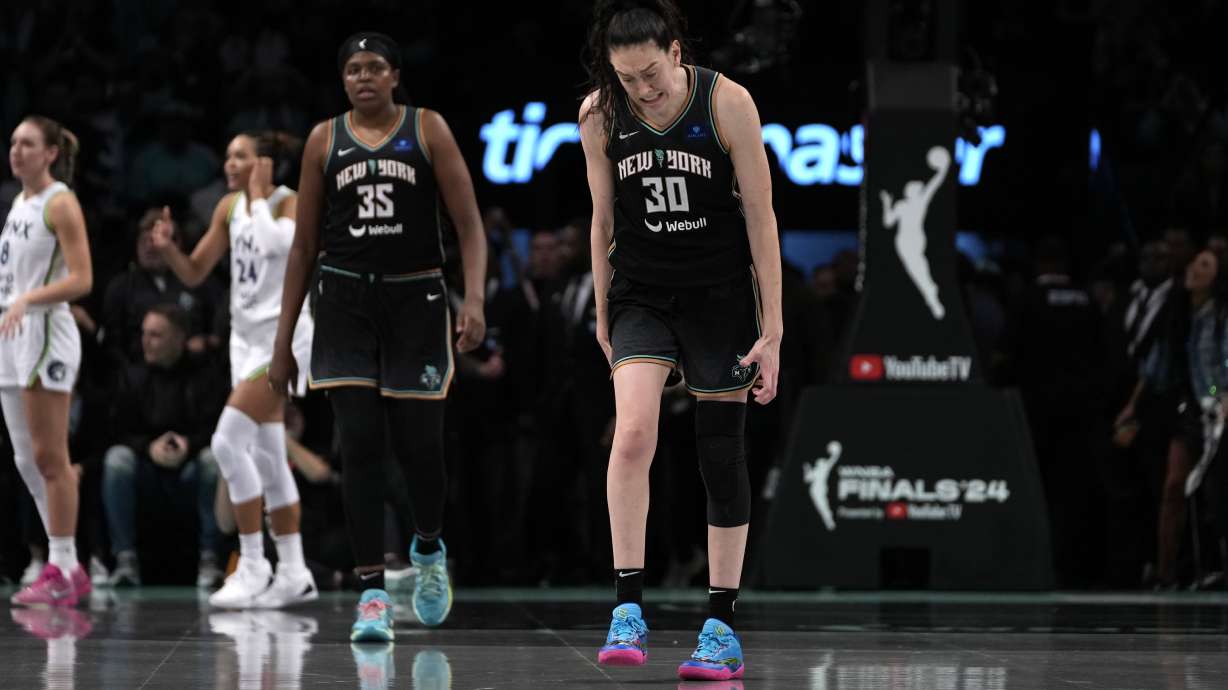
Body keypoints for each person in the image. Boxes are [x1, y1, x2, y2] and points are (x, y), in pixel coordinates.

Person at [579, 1, 782, 680]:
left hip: (720, 297)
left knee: (720, 455)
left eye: (650, 73)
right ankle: (626, 607)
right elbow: (602, 219)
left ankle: (721, 626)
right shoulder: (599, 115)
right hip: (641, 292)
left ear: (675, 51)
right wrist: (603, 311)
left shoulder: (728, 103)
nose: (642, 88)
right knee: (633, 432)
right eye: (626, 78)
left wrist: (774, 329)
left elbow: (761, 218)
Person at [268, 32, 486, 641]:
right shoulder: (323, 139)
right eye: (353, 69)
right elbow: (303, 247)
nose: (363, 77)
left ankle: (428, 549)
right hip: (344, 302)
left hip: (416, 299)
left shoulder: (428, 128)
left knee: (420, 448)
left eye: (374, 67)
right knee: (359, 444)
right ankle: (371, 593)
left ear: (394, 75)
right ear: (343, 80)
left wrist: (474, 298)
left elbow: (469, 225)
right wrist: (283, 341)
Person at [149, 131, 318, 608]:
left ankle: (253, 563)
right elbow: (195, 272)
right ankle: (294, 571)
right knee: (267, 455)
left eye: (240, 156)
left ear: (265, 164)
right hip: (244, 342)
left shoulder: (289, 202)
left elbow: (277, 247)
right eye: (227, 156)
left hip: (284, 339)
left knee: (226, 442)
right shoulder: (228, 208)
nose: (229, 164)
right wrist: (168, 249)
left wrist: (261, 195)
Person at [2, 115, 93, 606]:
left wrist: (28, 299)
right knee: (25, 459)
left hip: (45, 331)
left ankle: (62, 563)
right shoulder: (21, 202)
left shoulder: (61, 201)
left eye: (28, 143)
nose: (17, 151)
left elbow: (82, 279)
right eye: (13, 142)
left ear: (51, 153)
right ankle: (66, 564)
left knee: (51, 457)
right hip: (12, 333)